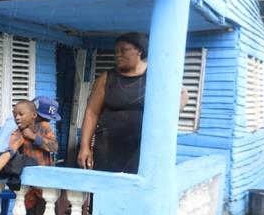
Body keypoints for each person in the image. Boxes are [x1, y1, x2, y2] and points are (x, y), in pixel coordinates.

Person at [78, 32, 187, 173]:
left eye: (123, 51)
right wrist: (84, 147)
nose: (118, 55)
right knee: (104, 188)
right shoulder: (106, 79)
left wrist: (168, 119)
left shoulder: (156, 75)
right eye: (116, 52)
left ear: (139, 51)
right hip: (107, 146)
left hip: (143, 148)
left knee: (137, 187)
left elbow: (183, 94)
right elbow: (92, 113)